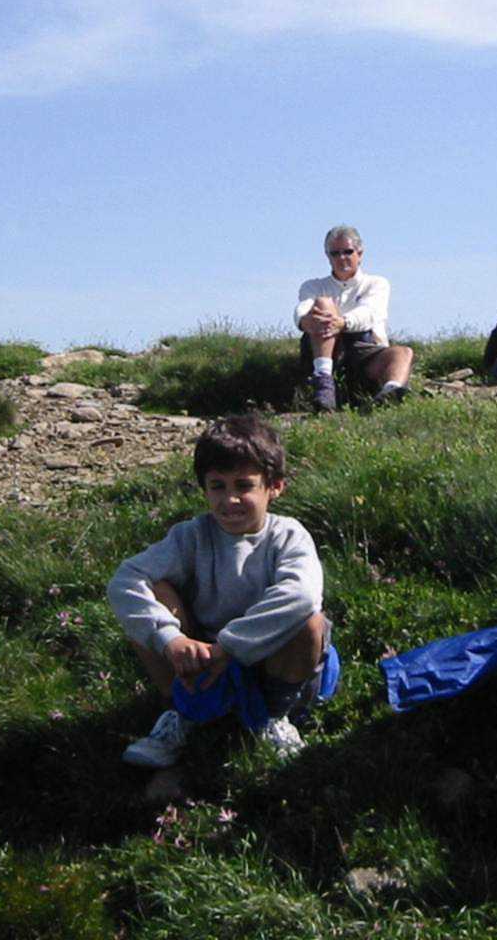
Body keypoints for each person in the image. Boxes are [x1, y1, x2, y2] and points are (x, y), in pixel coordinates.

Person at [108, 415, 333, 767]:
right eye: (217, 486)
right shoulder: (191, 536)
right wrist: (170, 639)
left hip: (270, 655)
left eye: (244, 486)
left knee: (310, 622)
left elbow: (302, 595)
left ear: (275, 487)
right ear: (204, 488)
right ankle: (179, 711)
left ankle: (274, 716)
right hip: (202, 656)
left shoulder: (288, 535)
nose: (230, 499)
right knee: (154, 591)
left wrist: (229, 648)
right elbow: (125, 579)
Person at [294, 226, 413, 412]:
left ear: (360, 253)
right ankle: (323, 379)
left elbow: (370, 313)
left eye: (348, 252)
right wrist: (304, 320)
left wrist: (343, 322)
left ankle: (390, 393)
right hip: (326, 349)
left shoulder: (376, 283)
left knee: (403, 353)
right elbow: (303, 307)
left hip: (364, 350)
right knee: (323, 304)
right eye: (335, 253)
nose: (342, 258)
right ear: (328, 256)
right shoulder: (313, 286)